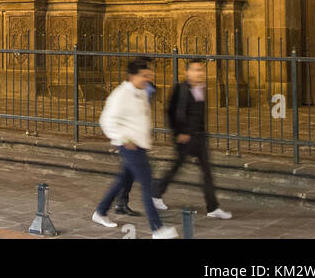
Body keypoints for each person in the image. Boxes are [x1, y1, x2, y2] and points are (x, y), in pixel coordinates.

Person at [93, 57, 177, 238]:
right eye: (145, 75)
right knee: (147, 185)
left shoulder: (141, 91)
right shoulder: (121, 94)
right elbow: (106, 121)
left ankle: (100, 212)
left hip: (139, 145)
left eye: (150, 75)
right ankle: (157, 229)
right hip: (130, 146)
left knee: (122, 180)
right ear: (133, 76)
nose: (148, 79)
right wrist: (123, 139)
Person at [152, 58, 232, 220]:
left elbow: (199, 115)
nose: (199, 73)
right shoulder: (180, 89)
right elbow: (170, 112)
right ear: (187, 72)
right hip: (185, 138)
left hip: (199, 137)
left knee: (207, 172)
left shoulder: (202, 89)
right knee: (176, 168)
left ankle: (212, 207)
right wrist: (178, 133)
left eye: (201, 70)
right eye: (195, 70)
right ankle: (155, 194)